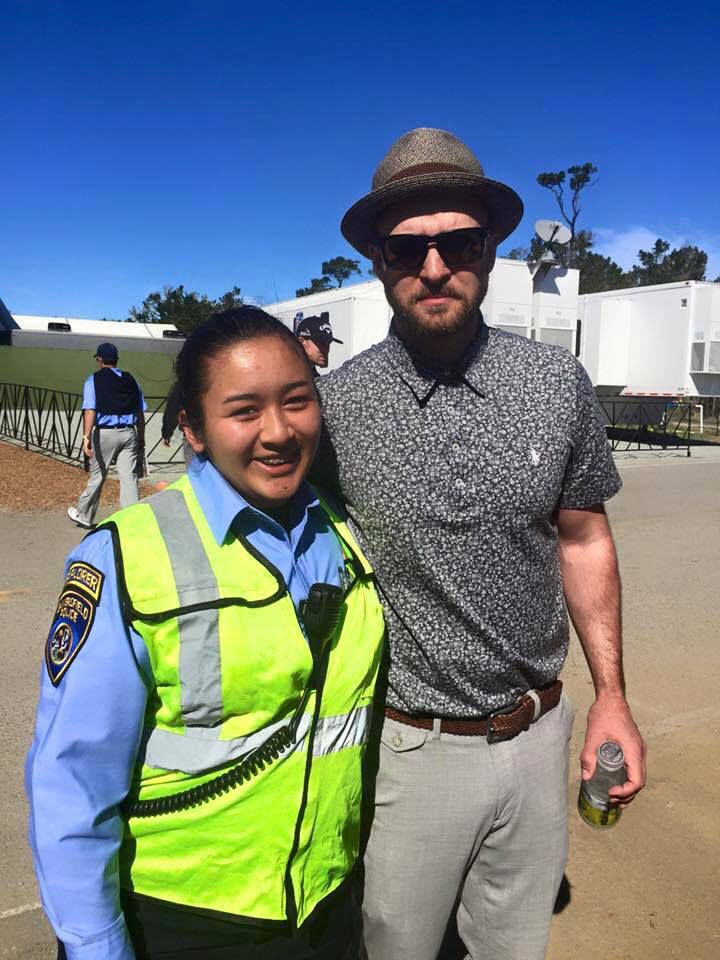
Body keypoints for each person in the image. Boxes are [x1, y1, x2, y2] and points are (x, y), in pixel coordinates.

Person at [312, 128, 647, 960]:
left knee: (511, 947)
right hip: (405, 746)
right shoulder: (336, 409)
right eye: (407, 248)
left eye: (457, 242)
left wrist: (611, 696)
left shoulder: (555, 385)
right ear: (379, 261)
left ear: (491, 250)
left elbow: (583, 538)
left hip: (540, 733)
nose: (434, 267)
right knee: (395, 945)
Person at [27, 307, 385, 960]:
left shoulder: (347, 532)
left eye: (297, 401)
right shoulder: (124, 560)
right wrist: (96, 947)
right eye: (244, 410)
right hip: (182, 924)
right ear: (192, 427)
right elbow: (71, 789)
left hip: (328, 906)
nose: (277, 432)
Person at [67, 342, 147, 529]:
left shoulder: (93, 380)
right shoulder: (131, 380)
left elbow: (90, 410)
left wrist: (86, 436)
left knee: (98, 475)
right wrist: (141, 439)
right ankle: (131, 518)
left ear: (100, 359)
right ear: (116, 359)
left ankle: (85, 514)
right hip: (129, 432)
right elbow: (140, 413)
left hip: (105, 433)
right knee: (129, 477)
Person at [160, 381, 194, 466]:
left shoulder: (182, 384)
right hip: (217, 431)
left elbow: (173, 409)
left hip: (192, 432)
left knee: (194, 468)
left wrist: (167, 432)